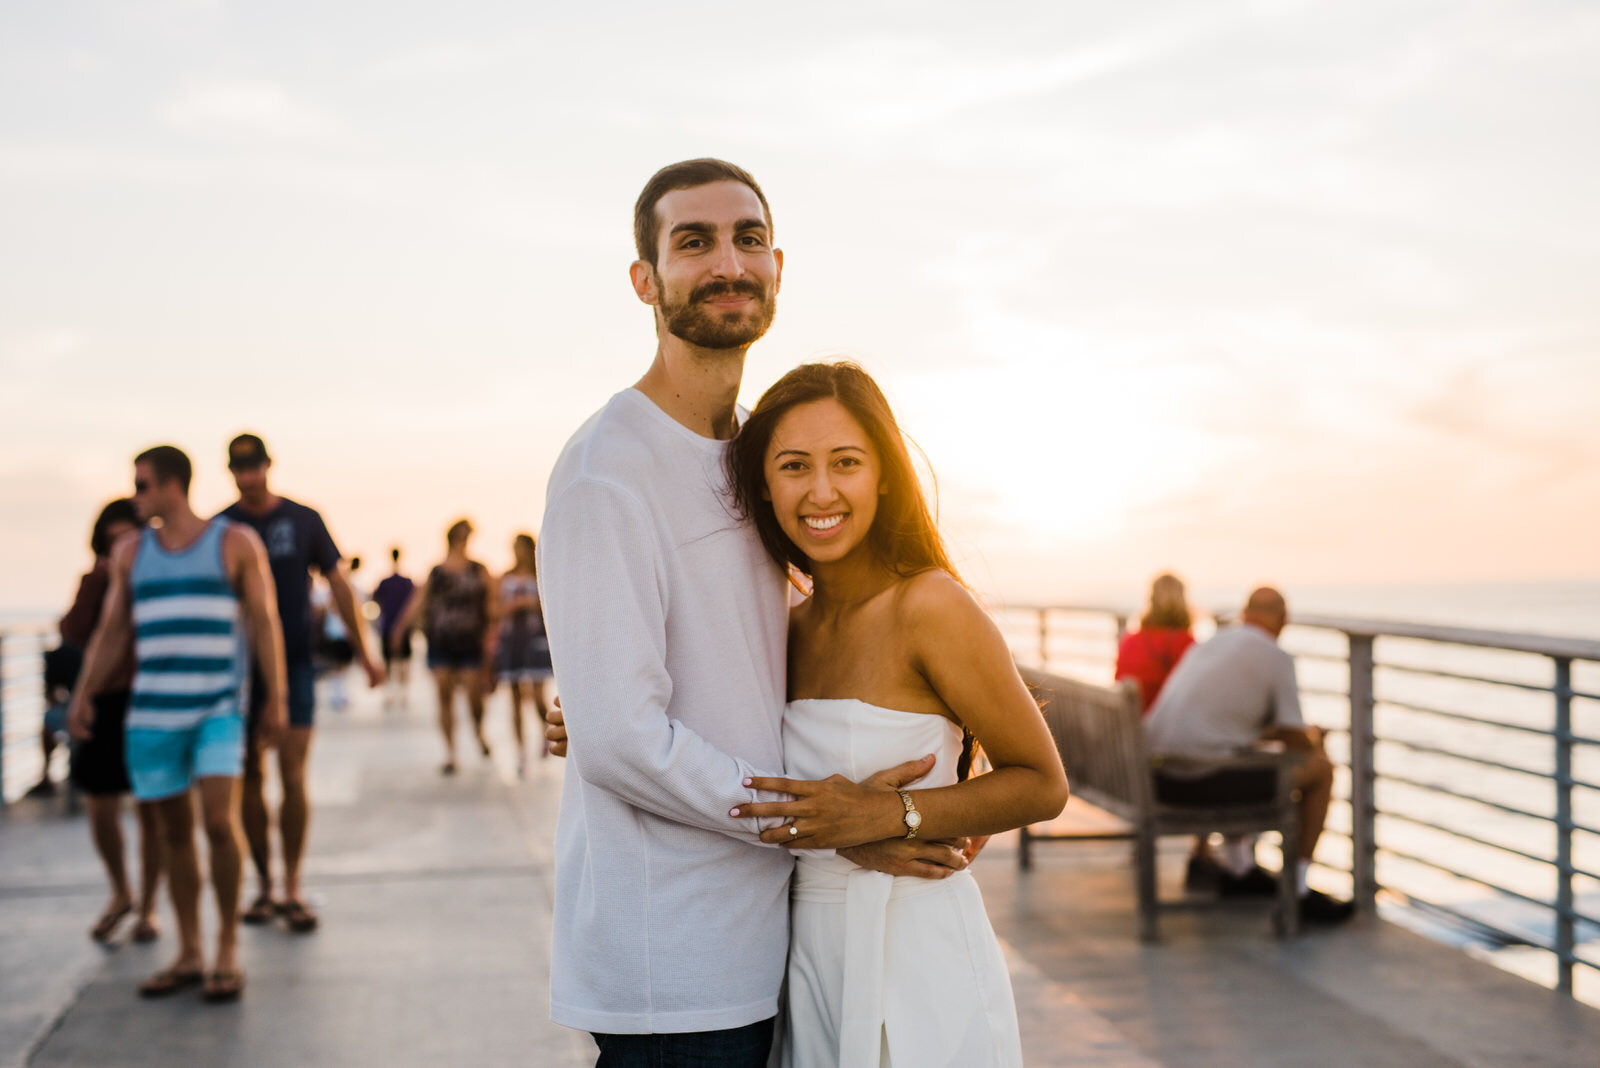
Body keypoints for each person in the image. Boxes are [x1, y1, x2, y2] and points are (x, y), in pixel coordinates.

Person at [539, 159, 972, 1067]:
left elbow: (731, 661)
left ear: (778, 266)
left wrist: (904, 786)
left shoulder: (755, 456)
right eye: (692, 242)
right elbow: (623, 739)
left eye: (746, 240)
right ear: (645, 280)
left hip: (763, 934)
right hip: (675, 960)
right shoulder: (605, 473)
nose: (726, 263)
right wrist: (820, 820)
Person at [725, 361, 1069, 1066]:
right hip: (808, 959)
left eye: (845, 462)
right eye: (794, 466)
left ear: (883, 473)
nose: (822, 491)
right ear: (765, 485)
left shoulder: (931, 606)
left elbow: (1042, 781)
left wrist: (890, 815)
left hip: (919, 956)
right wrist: (601, 717)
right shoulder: (784, 626)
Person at [67, 445, 289, 1002]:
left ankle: (227, 950)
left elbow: (264, 622)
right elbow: (113, 630)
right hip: (152, 711)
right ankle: (190, 951)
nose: (136, 496)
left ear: (172, 486)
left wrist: (277, 696)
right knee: (169, 834)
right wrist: (85, 694)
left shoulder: (233, 542)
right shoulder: (129, 552)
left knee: (218, 821)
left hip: (218, 708)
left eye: (142, 485)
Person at [220, 433, 383, 934]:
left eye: (254, 467)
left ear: (268, 466)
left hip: (295, 663)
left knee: (293, 772)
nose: (248, 477)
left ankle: (292, 883)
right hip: (240, 672)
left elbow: (337, 585)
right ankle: (264, 885)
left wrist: (365, 652)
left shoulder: (303, 519)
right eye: (238, 469)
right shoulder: (222, 527)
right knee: (247, 775)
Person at [1143, 586, 1355, 924]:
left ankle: (1240, 871)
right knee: (1322, 769)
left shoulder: (1210, 642)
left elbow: (1223, 726)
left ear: (1245, 614)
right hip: (1201, 784)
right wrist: (1315, 737)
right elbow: (1296, 743)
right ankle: (1298, 891)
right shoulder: (1276, 657)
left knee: (1247, 757)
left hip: (1158, 779)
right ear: (1284, 619)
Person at [60, 498, 165, 944]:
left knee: (151, 808)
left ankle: (149, 906)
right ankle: (121, 890)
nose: (122, 545)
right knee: (100, 805)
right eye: (113, 539)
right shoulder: (97, 579)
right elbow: (73, 631)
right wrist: (100, 581)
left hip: (148, 697)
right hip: (105, 699)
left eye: (129, 537)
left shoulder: (157, 575)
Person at [395, 520, 497, 774]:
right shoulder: (437, 572)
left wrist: (493, 635)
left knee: (475, 698)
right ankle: (451, 753)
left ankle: (478, 731)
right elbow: (418, 601)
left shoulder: (479, 569)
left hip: (470, 642)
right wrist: (399, 629)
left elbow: (493, 603)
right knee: (444, 697)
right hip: (440, 640)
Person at [495, 533, 552, 774]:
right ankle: (520, 752)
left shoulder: (541, 573)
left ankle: (546, 732)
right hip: (511, 640)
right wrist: (510, 607)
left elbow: (550, 604)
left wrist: (531, 604)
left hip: (535, 637)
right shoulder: (506, 577)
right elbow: (495, 608)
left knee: (539, 696)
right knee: (515, 696)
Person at [1115, 573, 1196, 714]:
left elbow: (1118, 683)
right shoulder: (1186, 643)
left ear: (1151, 599)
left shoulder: (1130, 640)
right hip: (1160, 726)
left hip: (1128, 721)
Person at [372, 547, 416, 708]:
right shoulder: (406, 582)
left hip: (389, 626)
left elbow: (375, 599)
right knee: (403, 662)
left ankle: (391, 695)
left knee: (390, 663)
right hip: (401, 627)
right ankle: (402, 695)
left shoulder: (386, 582)